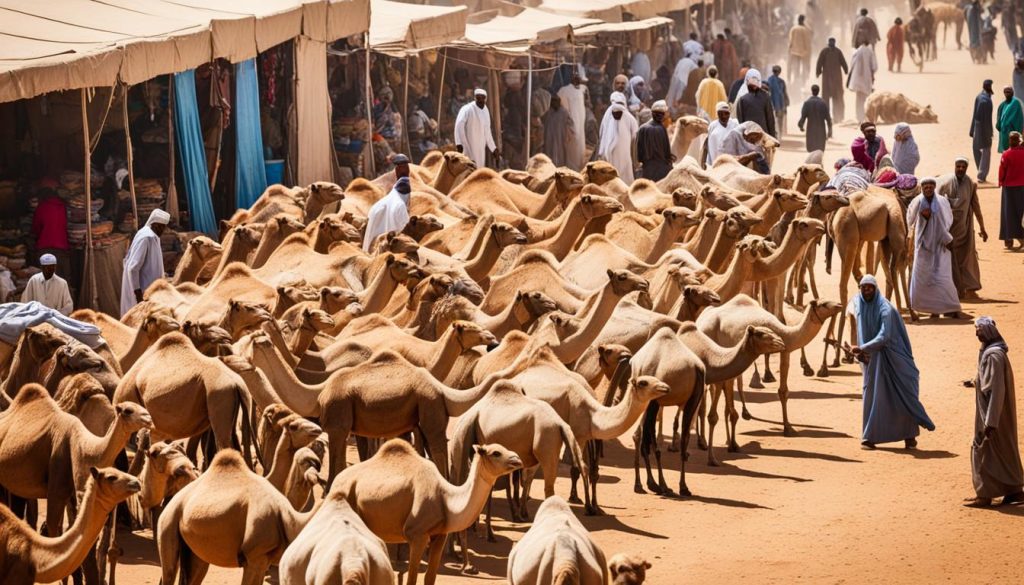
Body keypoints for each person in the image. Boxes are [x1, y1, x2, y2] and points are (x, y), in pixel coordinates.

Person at [850, 274, 936, 450]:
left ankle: (909, 435)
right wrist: (860, 350)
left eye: (869, 287)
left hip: (892, 357)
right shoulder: (859, 303)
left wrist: (863, 347)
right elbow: (855, 322)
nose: (866, 291)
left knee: (900, 394)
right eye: (863, 287)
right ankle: (869, 436)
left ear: (875, 289)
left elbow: (885, 336)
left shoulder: (885, 308)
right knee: (872, 394)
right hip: (871, 360)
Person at [962, 316, 1024, 508]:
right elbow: (986, 379)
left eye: (980, 330)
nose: (977, 333)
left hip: (992, 414)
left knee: (983, 448)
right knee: (1001, 450)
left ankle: (985, 495)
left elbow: (996, 390)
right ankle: (1014, 491)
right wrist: (974, 382)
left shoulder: (994, 356)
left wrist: (991, 422)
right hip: (993, 412)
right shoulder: (989, 352)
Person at [906, 177, 962, 317]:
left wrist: (945, 236)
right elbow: (909, 220)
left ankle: (950, 308)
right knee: (923, 279)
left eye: (931, 186)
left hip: (941, 245)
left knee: (943, 278)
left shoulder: (942, 202)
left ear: (934, 187)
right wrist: (923, 217)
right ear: (922, 188)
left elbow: (948, 219)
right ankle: (930, 310)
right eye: (926, 186)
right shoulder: (917, 202)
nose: (928, 188)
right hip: (923, 247)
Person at [938, 157, 987, 300]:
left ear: (966, 168)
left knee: (968, 259)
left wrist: (982, 228)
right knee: (948, 260)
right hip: (949, 231)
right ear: (955, 166)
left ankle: (970, 289)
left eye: (963, 167)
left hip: (965, 230)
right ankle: (952, 290)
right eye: (958, 166)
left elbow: (976, 206)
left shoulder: (971, 184)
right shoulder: (945, 184)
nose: (960, 169)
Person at [120, 209, 169, 316]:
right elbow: (133, 268)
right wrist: (138, 292)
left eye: (164, 227)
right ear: (155, 224)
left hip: (149, 289)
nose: (163, 230)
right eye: (161, 227)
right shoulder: (147, 237)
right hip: (143, 290)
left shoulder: (152, 235)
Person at [30, 185, 70, 280]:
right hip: (62, 247)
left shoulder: (41, 207)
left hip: (45, 247)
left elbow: (36, 228)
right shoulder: (62, 207)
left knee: (47, 279)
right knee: (64, 279)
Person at [363, 177, 412, 251]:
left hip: (371, 252)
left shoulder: (377, 204)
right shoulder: (400, 205)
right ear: (407, 194)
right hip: (388, 252)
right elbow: (406, 232)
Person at [454, 88, 499, 168]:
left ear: (486, 99)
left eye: (483, 98)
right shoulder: (467, 109)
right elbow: (459, 125)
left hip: (480, 149)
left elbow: (487, 132)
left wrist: (493, 149)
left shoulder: (486, 111)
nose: (481, 100)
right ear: (475, 98)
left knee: (479, 171)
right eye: (478, 98)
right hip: (468, 147)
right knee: (468, 169)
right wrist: (459, 143)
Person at [597, 102, 637, 183]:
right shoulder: (608, 119)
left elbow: (635, 137)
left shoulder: (629, 118)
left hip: (625, 155)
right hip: (611, 155)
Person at [998, 131, 1024, 248]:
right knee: (1019, 213)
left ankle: (1010, 240)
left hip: (1009, 188)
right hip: (1022, 187)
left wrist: (1001, 182)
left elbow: (1002, 171)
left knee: (1008, 214)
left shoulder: (1006, 154)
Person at [636, 100, 673, 181]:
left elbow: (639, 154)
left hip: (647, 169)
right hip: (662, 171)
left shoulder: (642, 128)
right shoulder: (662, 129)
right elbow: (667, 152)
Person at [557, 72, 588, 170]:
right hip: (570, 126)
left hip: (580, 126)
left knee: (579, 151)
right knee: (571, 151)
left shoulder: (581, 90)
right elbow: (565, 110)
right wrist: (568, 126)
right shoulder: (564, 91)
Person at [735, 69, 776, 138]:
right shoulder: (765, 96)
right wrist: (772, 137)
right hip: (763, 135)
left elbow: (739, 119)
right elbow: (770, 119)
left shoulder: (741, 97)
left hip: (748, 136)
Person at [816, 38, 849, 122]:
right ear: (828, 42)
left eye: (833, 42)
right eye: (830, 42)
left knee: (838, 99)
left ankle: (838, 117)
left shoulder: (838, 52)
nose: (831, 43)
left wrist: (846, 69)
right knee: (825, 99)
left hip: (837, 79)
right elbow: (819, 62)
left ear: (835, 42)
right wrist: (818, 71)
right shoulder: (824, 52)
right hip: (826, 79)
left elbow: (843, 62)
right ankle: (826, 117)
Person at [971, 79, 995, 182]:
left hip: (977, 127)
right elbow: (987, 120)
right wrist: (989, 133)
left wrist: (972, 129)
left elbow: (974, 114)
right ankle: (981, 175)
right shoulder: (986, 101)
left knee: (976, 148)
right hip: (983, 128)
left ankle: (980, 171)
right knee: (986, 151)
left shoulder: (979, 96)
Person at [542, 95, 575, 168]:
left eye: (556, 101)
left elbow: (571, 125)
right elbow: (542, 123)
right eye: (553, 102)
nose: (555, 103)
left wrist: (568, 135)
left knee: (561, 156)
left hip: (561, 138)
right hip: (549, 139)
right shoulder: (548, 113)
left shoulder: (564, 112)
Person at [798, 84, 832, 152]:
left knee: (811, 151)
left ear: (812, 91)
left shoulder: (807, 103)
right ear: (818, 91)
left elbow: (803, 117)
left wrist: (801, 126)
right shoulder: (823, 103)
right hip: (821, 132)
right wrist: (829, 131)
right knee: (820, 151)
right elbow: (828, 119)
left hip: (811, 131)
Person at [848, 41, 877, 122]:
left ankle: (859, 117)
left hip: (857, 80)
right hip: (866, 79)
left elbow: (852, 65)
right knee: (866, 99)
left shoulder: (856, 52)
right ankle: (865, 117)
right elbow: (874, 66)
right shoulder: (870, 52)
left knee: (859, 99)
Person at [705, 101, 739, 167]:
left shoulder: (735, 124)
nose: (724, 116)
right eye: (720, 113)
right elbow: (709, 147)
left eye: (726, 113)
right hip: (716, 162)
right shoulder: (712, 126)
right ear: (717, 114)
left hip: (733, 161)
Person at [996, 86, 1024, 153]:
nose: (1007, 93)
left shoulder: (1015, 103)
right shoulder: (1003, 104)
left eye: (1009, 92)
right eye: (1005, 92)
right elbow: (1000, 119)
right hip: (1004, 134)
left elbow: (1018, 119)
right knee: (1006, 153)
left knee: (1013, 152)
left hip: (1012, 134)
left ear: (1012, 92)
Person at [788, 15, 813, 89]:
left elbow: (790, 41)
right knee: (804, 68)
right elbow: (808, 41)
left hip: (794, 52)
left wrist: (789, 50)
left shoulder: (793, 28)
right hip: (804, 52)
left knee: (796, 68)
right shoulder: (806, 29)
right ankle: (803, 83)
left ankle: (796, 82)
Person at [766, 65, 790, 137]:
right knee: (778, 122)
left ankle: (777, 135)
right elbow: (784, 93)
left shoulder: (770, 81)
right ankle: (778, 135)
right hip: (778, 104)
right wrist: (786, 103)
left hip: (775, 104)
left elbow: (784, 93)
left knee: (775, 121)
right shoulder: (780, 81)